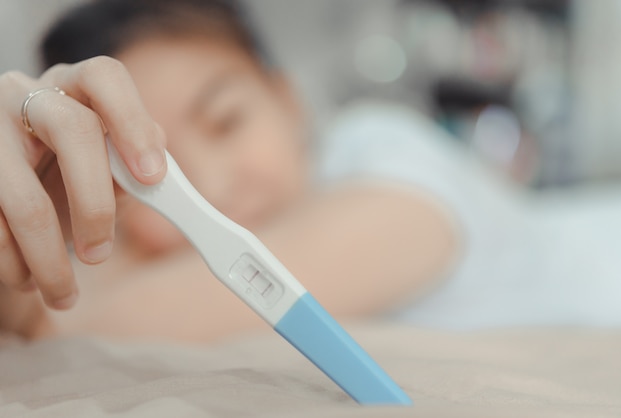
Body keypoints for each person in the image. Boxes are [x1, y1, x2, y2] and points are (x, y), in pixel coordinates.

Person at [0, 0, 457, 342]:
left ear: (287, 100)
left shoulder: (382, 145)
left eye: (226, 122)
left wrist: (46, 320)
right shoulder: (130, 247)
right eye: (149, 176)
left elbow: (74, 330)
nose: (212, 186)